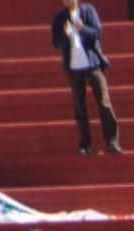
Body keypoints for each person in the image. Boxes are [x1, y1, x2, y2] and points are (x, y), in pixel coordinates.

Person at [52, 0, 121, 155]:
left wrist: (82, 28)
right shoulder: (59, 17)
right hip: (74, 67)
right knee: (79, 107)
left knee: (104, 103)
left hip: (92, 63)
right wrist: (65, 33)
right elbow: (56, 42)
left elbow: (97, 32)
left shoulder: (88, 11)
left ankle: (112, 142)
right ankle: (85, 144)